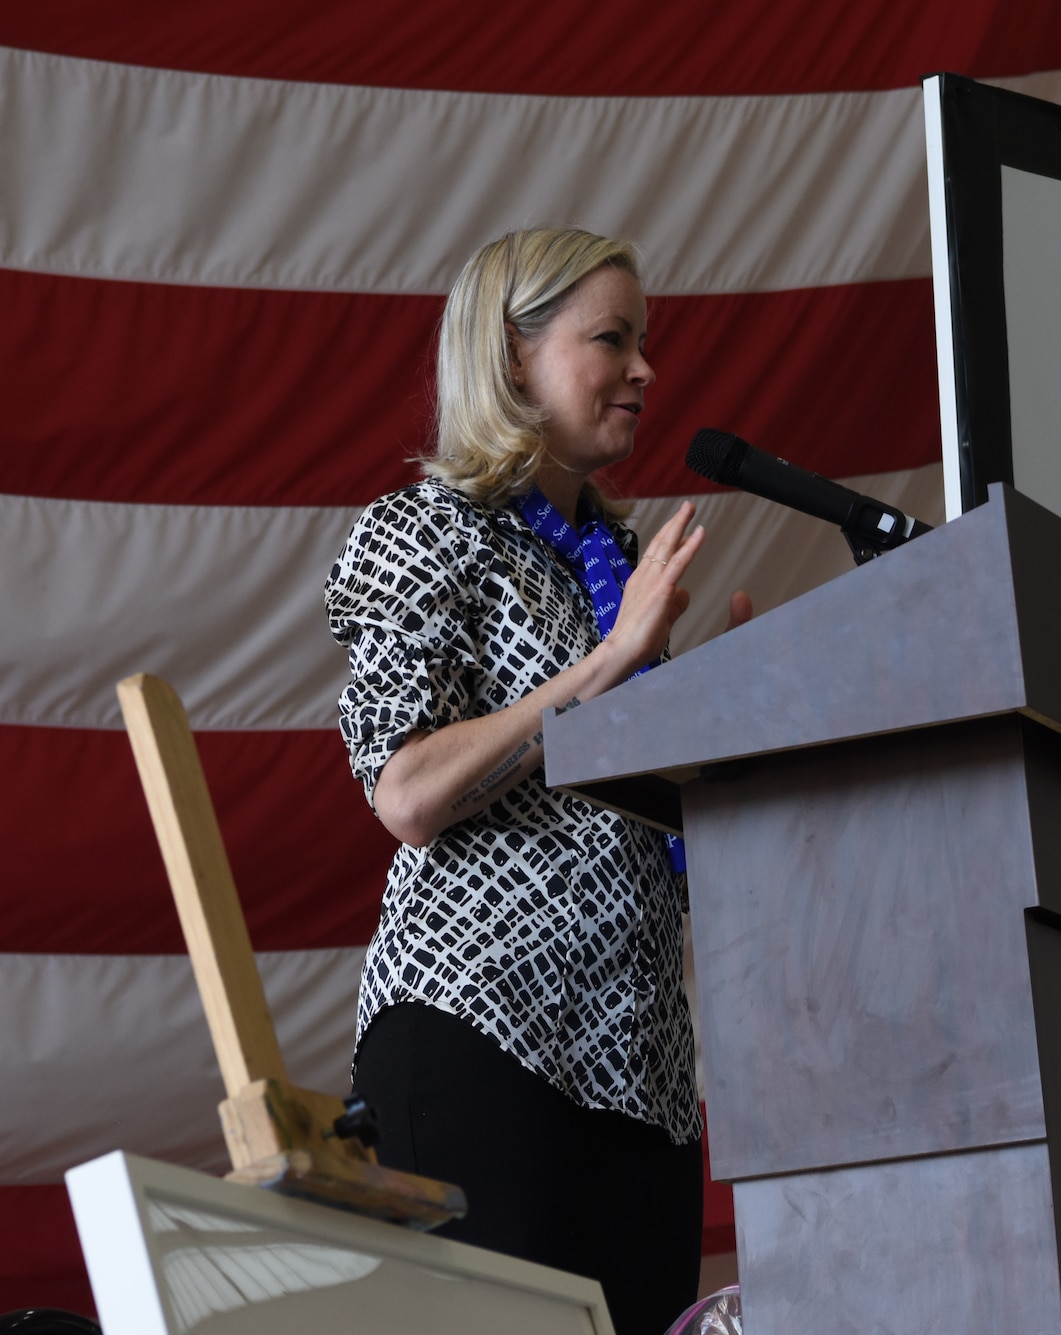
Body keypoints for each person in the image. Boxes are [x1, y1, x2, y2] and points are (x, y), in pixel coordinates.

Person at [325, 226, 747, 1332]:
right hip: (484, 1030)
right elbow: (408, 794)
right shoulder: (424, 532)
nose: (646, 370)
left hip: (641, 1068)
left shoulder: (611, 562)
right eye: (613, 339)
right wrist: (610, 665)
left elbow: (631, 823)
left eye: (644, 341)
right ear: (514, 358)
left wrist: (736, 717)